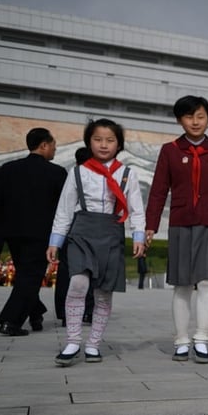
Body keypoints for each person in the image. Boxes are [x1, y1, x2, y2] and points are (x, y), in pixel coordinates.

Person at [145, 96, 208, 364]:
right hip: (181, 223)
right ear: (179, 120)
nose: (195, 122)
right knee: (182, 284)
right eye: (189, 117)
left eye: (200, 116)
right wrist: (150, 225)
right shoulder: (170, 150)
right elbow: (158, 191)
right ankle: (181, 340)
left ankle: (201, 338)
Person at [47, 119, 146, 366]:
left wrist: (138, 236)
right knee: (77, 284)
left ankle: (93, 344)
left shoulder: (127, 174)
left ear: (119, 144)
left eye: (110, 140)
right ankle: (72, 341)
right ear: (89, 142)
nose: (103, 145)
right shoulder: (78, 172)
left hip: (111, 234)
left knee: (103, 293)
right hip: (81, 233)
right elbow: (64, 209)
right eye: (98, 139)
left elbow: (136, 208)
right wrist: (55, 241)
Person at [0, 128, 67, 336]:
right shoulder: (56, 173)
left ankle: (36, 313)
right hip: (40, 234)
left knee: (26, 276)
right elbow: (62, 208)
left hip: (12, 233)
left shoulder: (8, 169)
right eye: (53, 145)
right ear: (44, 145)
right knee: (30, 277)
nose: (54, 149)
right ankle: (11, 321)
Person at [54, 147, 96, 326]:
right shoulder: (88, 176)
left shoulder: (71, 174)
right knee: (91, 270)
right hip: (86, 228)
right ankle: (87, 311)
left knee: (66, 271)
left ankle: (65, 313)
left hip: (69, 229)